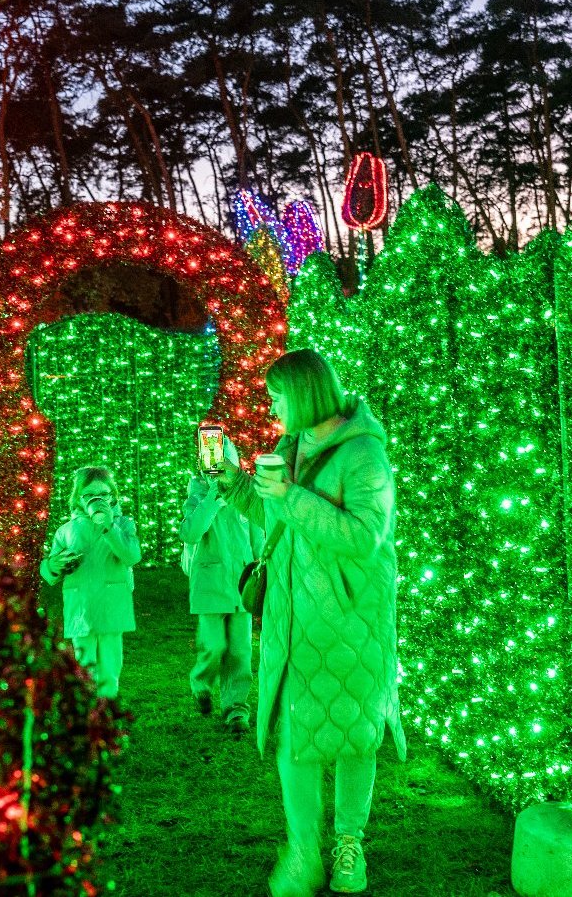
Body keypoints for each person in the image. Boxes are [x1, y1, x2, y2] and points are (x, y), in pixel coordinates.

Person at [215, 349, 405, 897]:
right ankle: (303, 851)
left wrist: (291, 497)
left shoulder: (365, 454)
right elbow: (277, 517)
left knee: (354, 735)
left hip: (350, 620)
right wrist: (235, 484)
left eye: (278, 395)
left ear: (304, 392)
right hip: (289, 619)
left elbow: (366, 537)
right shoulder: (288, 447)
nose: (272, 405)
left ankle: (349, 844)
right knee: (295, 737)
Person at [40, 465, 140, 700]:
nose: (97, 499)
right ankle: (88, 717)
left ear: (112, 496)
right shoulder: (66, 531)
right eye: (89, 495)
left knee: (110, 666)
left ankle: (108, 711)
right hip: (81, 606)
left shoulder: (123, 525)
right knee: (85, 664)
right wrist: (53, 565)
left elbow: (131, 556)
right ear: (78, 498)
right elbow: (49, 570)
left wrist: (108, 526)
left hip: (112, 605)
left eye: (103, 494)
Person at [178, 468, 259, 732]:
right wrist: (212, 499)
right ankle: (201, 684)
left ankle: (236, 709)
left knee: (240, 650)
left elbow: (257, 534)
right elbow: (189, 533)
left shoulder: (245, 495)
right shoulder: (198, 496)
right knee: (212, 646)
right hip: (210, 585)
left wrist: (261, 568)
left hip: (241, 585)